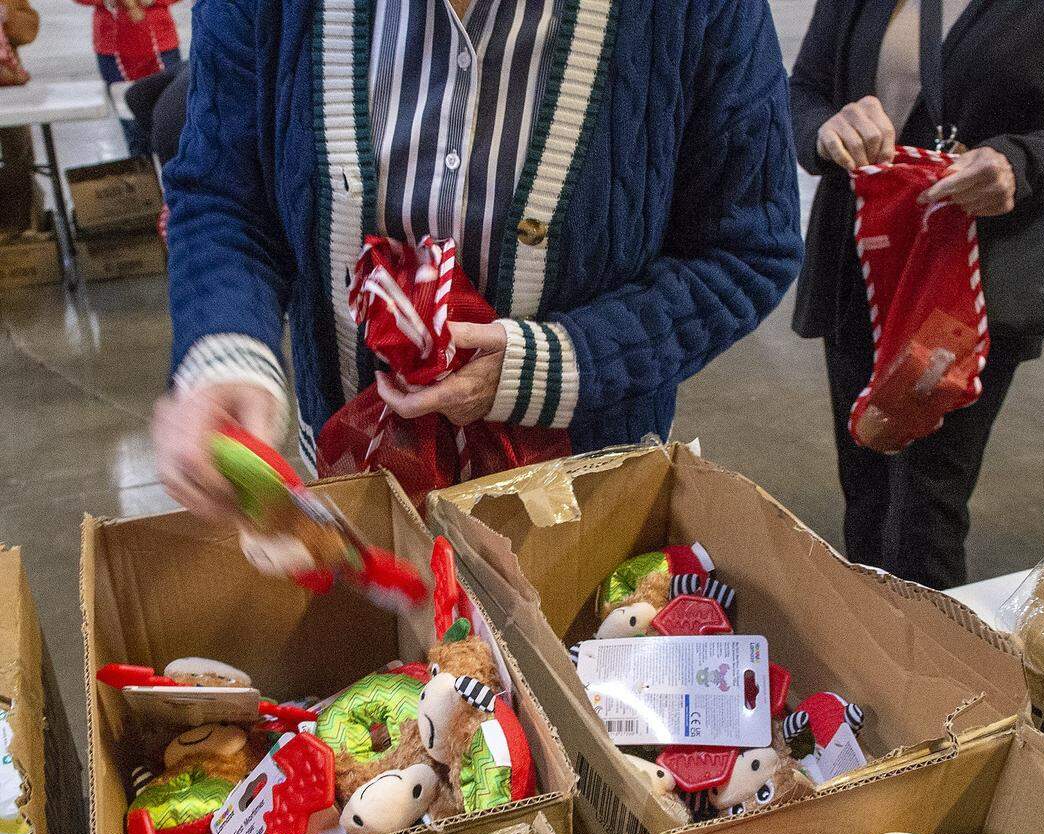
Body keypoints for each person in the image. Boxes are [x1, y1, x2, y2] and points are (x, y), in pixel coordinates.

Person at [153, 0, 804, 521]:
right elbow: (222, 195)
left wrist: (552, 364)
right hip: (356, 490)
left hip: (583, 505)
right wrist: (227, 349)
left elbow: (747, 248)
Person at [789, 0, 1044, 588]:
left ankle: (935, 671)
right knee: (867, 491)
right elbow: (804, 90)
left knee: (924, 511)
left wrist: (1020, 164)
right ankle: (865, 654)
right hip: (865, 263)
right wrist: (827, 129)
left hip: (976, 279)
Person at [74, 0, 182, 157]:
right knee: (132, 127)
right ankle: (142, 175)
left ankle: (178, 177)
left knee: (171, 121)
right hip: (114, 51)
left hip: (161, 46)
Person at [0, 0, 40, 235]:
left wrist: (8, 16)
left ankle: (20, 230)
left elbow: (29, 27)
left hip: (9, 91)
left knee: (20, 155)